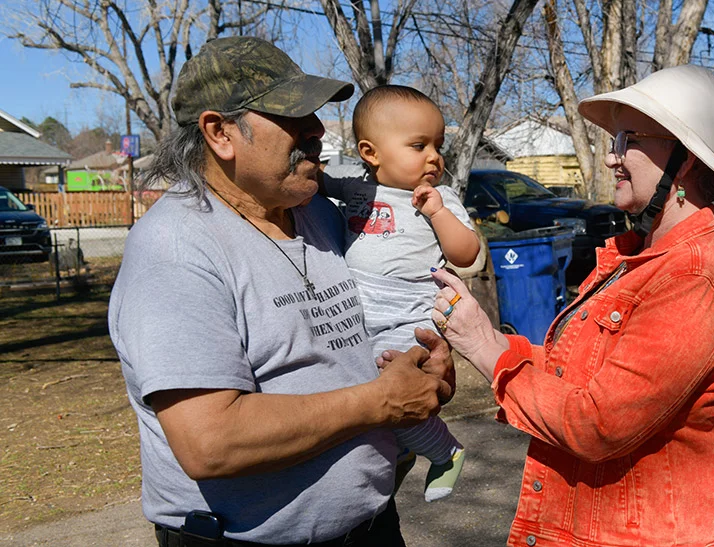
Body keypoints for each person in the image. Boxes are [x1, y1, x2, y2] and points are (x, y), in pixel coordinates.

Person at [108, 36, 456, 547]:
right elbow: (211, 441)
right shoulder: (174, 251)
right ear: (220, 133)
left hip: (371, 527)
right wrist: (380, 402)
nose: (316, 130)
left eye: (314, 113)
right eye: (292, 116)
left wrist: (424, 362)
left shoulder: (315, 210)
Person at [427, 64, 714, 546]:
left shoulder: (692, 276)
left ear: (683, 160)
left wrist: (481, 347)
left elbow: (598, 422)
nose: (611, 159)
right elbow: (576, 374)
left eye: (627, 140)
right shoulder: (638, 256)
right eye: (613, 141)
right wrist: (485, 335)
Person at [322, 85, 480, 503]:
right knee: (363, 393)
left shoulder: (438, 197)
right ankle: (406, 448)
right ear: (371, 153)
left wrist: (439, 213)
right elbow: (316, 182)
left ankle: (446, 451)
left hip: (408, 317)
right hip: (359, 313)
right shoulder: (355, 189)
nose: (434, 156)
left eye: (438, 145)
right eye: (418, 145)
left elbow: (466, 253)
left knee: (397, 387)